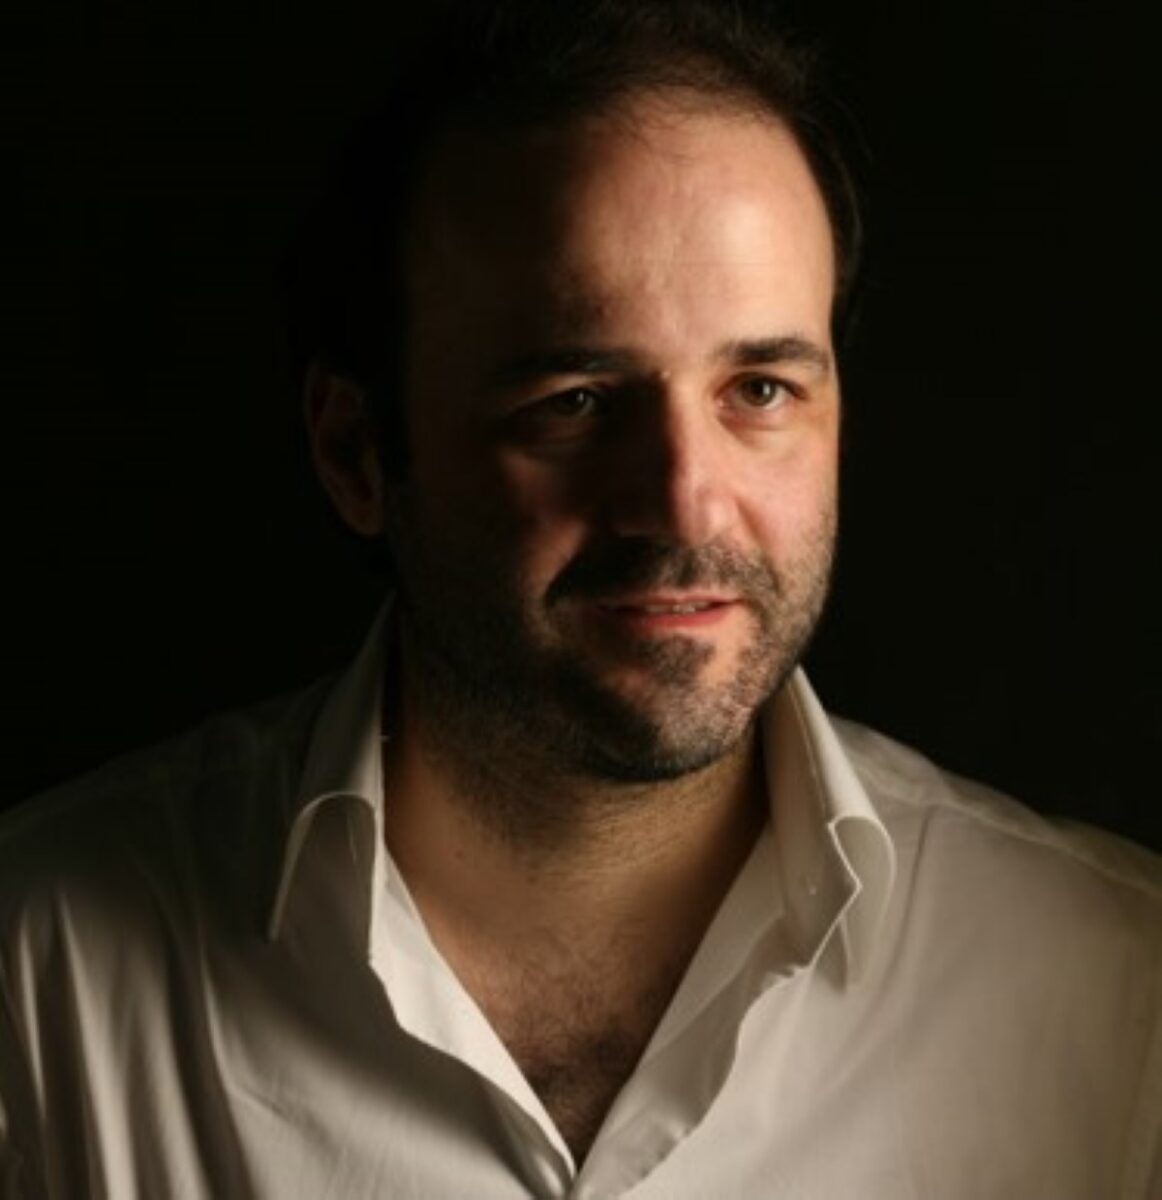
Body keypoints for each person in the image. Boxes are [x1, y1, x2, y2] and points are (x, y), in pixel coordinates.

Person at [1, 1, 1158, 1196]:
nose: (683, 505)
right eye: (574, 402)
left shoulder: (1123, 995)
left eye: (760, 389)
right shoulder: (38, 979)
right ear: (355, 453)